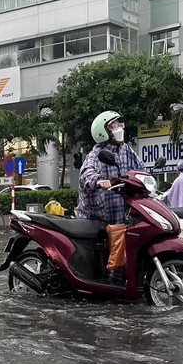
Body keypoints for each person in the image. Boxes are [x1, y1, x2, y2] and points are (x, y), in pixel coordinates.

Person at [77, 110, 144, 282]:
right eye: (113, 126)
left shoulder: (127, 150)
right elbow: (86, 175)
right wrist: (99, 181)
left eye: (120, 125)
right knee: (114, 249)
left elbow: (141, 169)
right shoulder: (96, 153)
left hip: (123, 212)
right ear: (103, 132)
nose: (119, 129)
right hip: (100, 215)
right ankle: (110, 284)